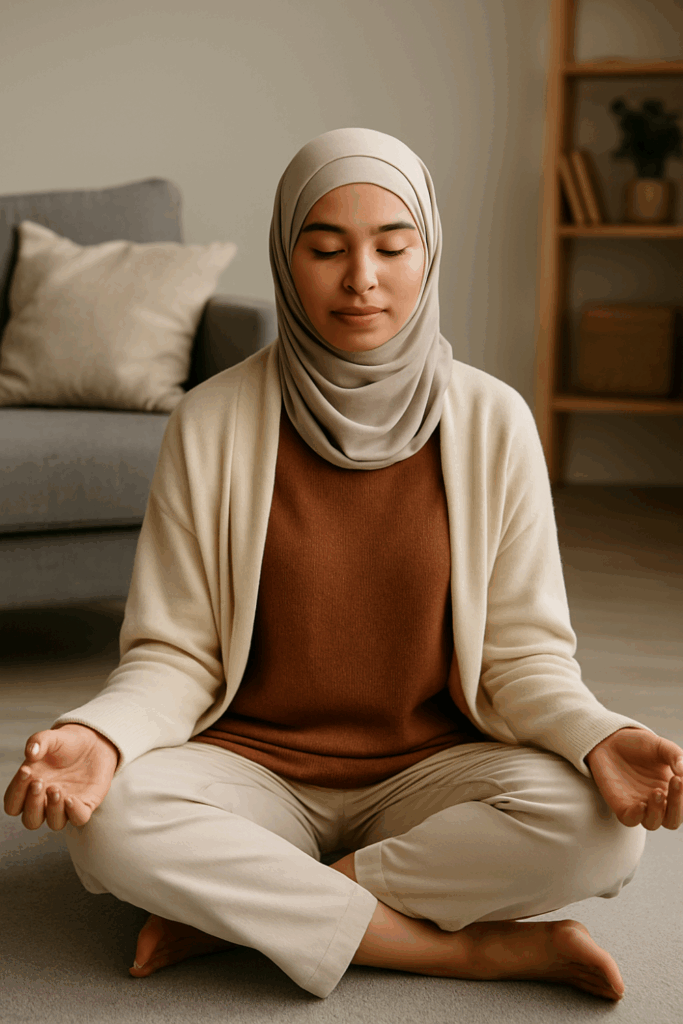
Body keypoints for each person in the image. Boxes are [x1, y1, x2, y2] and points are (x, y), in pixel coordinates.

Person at [4, 128, 683, 1004]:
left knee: (601, 832)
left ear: (427, 253)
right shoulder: (209, 422)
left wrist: (596, 733)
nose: (361, 277)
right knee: (112, 826)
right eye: (325, 249)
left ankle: (241, 906)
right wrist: (100, 735)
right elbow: (174, 655)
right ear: (290, 263)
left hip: (436, 765)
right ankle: (468, 950)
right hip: (251, 764)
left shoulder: (493, 421)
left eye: (392, 246)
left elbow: (521, 657)